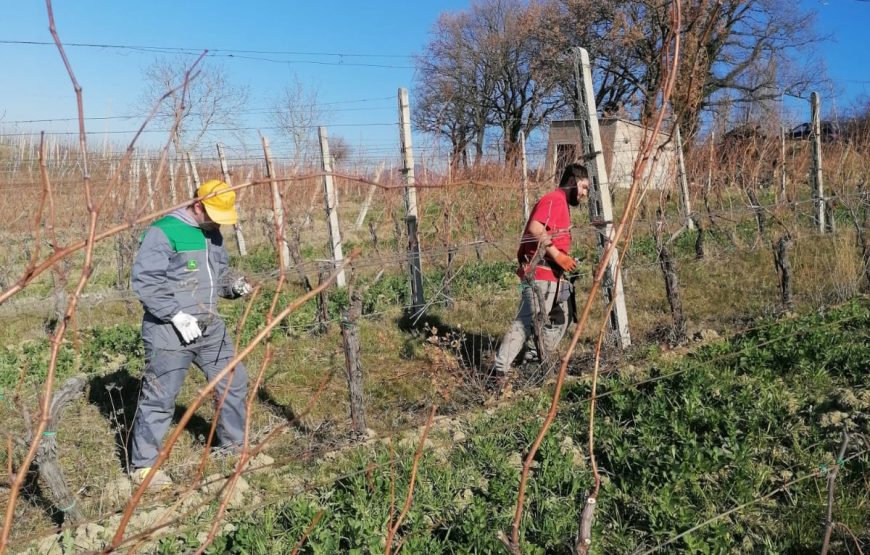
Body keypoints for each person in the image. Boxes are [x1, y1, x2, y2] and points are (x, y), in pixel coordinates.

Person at [129, 179, 253, 488]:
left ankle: (233, 447)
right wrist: (175, 314)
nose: (217, 223)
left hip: (210, 327)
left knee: (233, 380)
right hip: (168, 330)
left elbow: (218, 275)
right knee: (161, 396)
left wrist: (233, 286)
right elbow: (146, 281)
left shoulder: (213, 233)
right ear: (198, 205)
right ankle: (143, 466)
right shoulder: (164, 231)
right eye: (214, 215)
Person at [492, 163, 590, 382]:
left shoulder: (562, 204)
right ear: (574, 182)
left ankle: (534, 358)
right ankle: (499, 372)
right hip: (539, 274)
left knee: (561, 319)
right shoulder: (554, 199)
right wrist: (558, 256)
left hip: (553, 277)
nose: (584, 194)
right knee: (525, 322)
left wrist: (563, 261)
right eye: (584, 188)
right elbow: (536, 228)